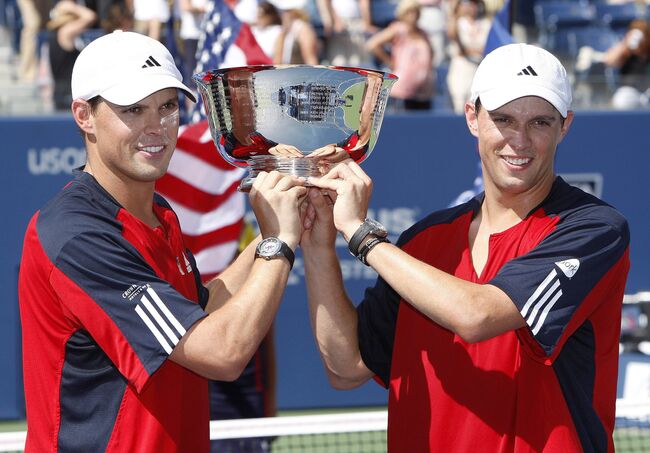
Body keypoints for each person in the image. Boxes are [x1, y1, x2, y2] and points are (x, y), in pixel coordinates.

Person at [300, 43, 631, 451]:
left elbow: (477, 315)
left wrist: (362, 235)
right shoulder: (423, 241)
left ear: (565, 126)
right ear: (472, 118)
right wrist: (317, 246)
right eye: (503, 119)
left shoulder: (593, 229)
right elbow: (346, 367)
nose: (519, 140)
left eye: (540, 122)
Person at [18, 30, 306, 452]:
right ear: (83, 115)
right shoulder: (78, 234)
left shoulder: (157, 213)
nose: (156, 126)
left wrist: (278, 229)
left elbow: (199, 314)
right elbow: (221, 352)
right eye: (133, 109)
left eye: (167, 106)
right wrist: (278, 244)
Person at [366, 0, 435, 111]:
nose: (413, 15)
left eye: (416, 12)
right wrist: (390, 62)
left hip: (424, 91)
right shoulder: (398, 29)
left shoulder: (423, 33)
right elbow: (373, 44)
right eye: (410, 12)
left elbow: (431, 53)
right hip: (403, 90)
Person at [46, 0, 97, 110]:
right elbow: (90, 16)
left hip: (63, 92)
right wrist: (72, 7)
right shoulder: (64, 32)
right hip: (67, 94)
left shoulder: (57, 34)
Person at [446, 0, 491, 113]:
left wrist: (472, 51)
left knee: (476, 107)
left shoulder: (486, 23)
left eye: (475, 4)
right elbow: (452, 34)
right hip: (461, 69)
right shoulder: (458, 22)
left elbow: (488, 47)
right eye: (469, 3)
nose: (472, 7)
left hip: (479, 68)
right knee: (459, 105)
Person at [603, 19, 650, 110]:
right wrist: (626, 44)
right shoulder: (626, 51)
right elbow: (609, 61)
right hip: (629, 91)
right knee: (621, 100)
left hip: (648, 92)